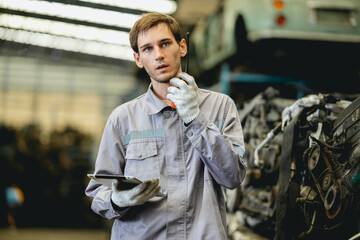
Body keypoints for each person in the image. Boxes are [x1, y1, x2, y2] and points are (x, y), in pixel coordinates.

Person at [85, 12, 246, 240]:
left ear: (182, 47)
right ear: (138, 59)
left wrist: (195, 119)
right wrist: (115, 200)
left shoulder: (220, 107)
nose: (158, 55)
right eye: (148, 49)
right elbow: (97, 191)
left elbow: (233, 176)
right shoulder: (123, 119)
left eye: (165, 44)